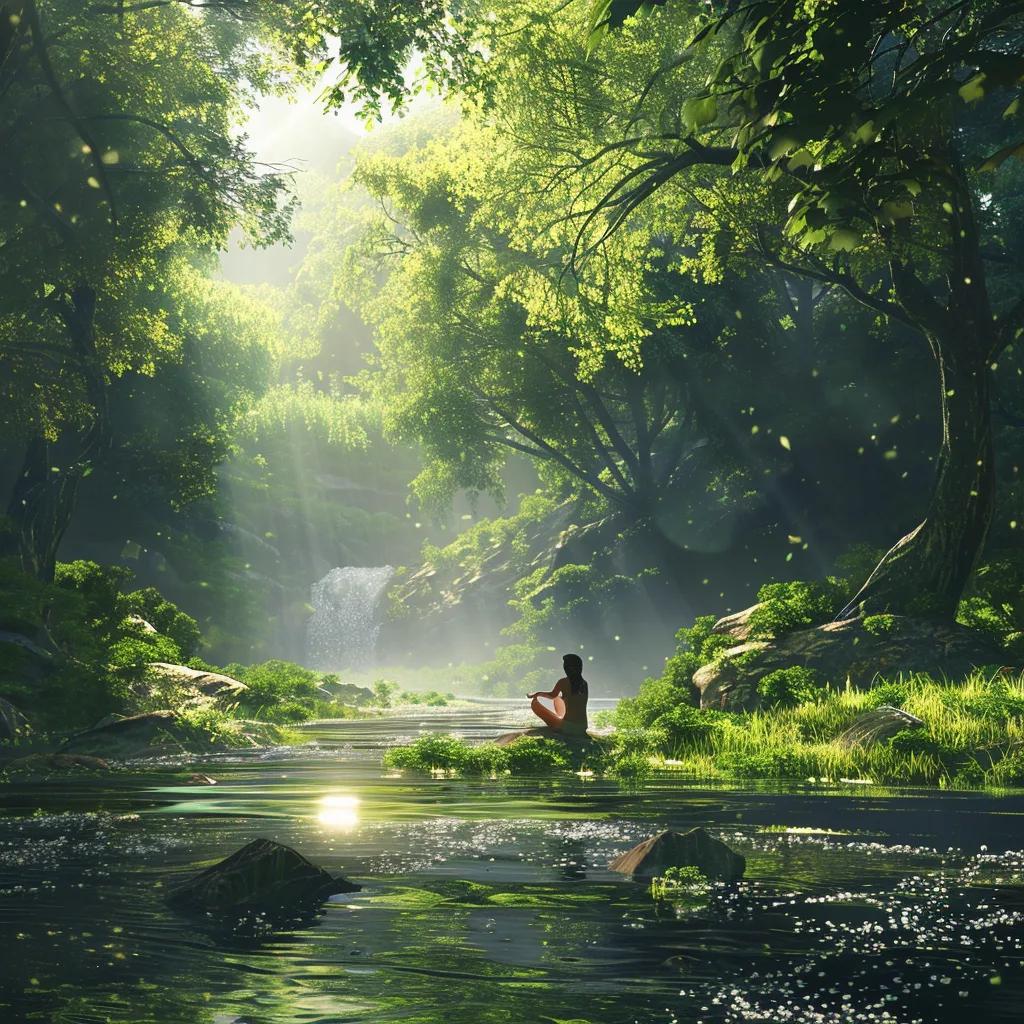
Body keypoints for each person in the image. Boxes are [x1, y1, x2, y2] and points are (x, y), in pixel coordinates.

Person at [527, 653, 589, 735]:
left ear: (566, 668)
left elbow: (552, 695)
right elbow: (574, 700)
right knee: (558, 698)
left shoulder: (563, 682)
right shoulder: (584, 683)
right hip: (582, 727)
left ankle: (556, 729)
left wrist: (536, 694)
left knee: (535, 703)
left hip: (568, 727)